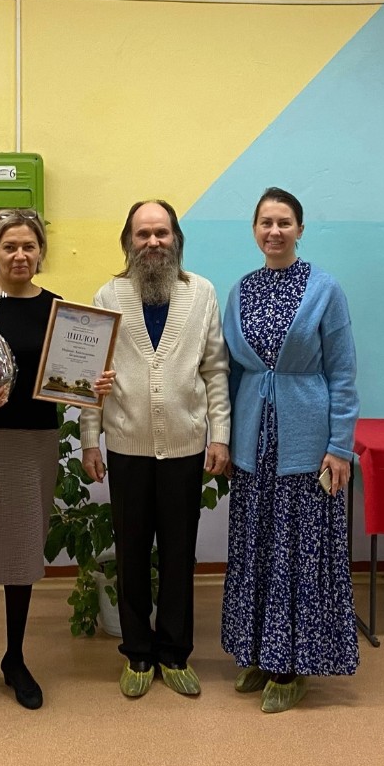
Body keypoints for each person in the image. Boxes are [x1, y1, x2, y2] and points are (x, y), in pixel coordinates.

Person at [0, 209, 113, 713]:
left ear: (41, 252)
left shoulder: (59, 312)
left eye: (29, 246)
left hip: (36, 442)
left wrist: (95, 383)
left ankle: (14, 657)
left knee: (22, 548)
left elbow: (73, 378)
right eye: (10, 246)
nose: (20, 255)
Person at [81, 199, 231, 699]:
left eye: (161, 233)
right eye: (143, 234)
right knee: (130, 552)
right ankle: (138, 653)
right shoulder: (108, 295)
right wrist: (90, 440)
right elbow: (92, 378)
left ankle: (174, 652)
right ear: (129, 241)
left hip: (186, 446)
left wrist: (220, 435)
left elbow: (215, 370)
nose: (152, 242)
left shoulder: (201, 294)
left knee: (178, 552)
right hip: (127, 445)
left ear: (176, 239)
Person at [220, 187, 360, 713]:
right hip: (253, 446)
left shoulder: (324, 288)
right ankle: (259, 652)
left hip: (306, 444)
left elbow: (343, 373)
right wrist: (226, 437)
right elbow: (231, 373)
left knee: (297, 554)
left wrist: (340, 446)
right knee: (256, 549)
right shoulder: (241, 290)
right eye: (265, 222)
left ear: (300, 229)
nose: (274, 231)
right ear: (254, 230)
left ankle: (293, 665)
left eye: (284, 222)